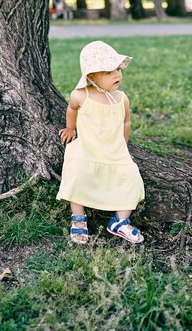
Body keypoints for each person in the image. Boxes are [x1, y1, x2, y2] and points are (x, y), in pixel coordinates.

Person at [56, 40, 145, 244]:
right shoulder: (81, 95)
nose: (117, 75)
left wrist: (123, 146)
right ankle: (78, 218)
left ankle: (120, 221)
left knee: (131, 177)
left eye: (118, 70)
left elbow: (126, 122)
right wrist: (70, 128)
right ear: (91, 76)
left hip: (113, 150)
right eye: (108, 72)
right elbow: (72, 110)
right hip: (87, 148)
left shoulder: (121, 98)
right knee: (78, 174)